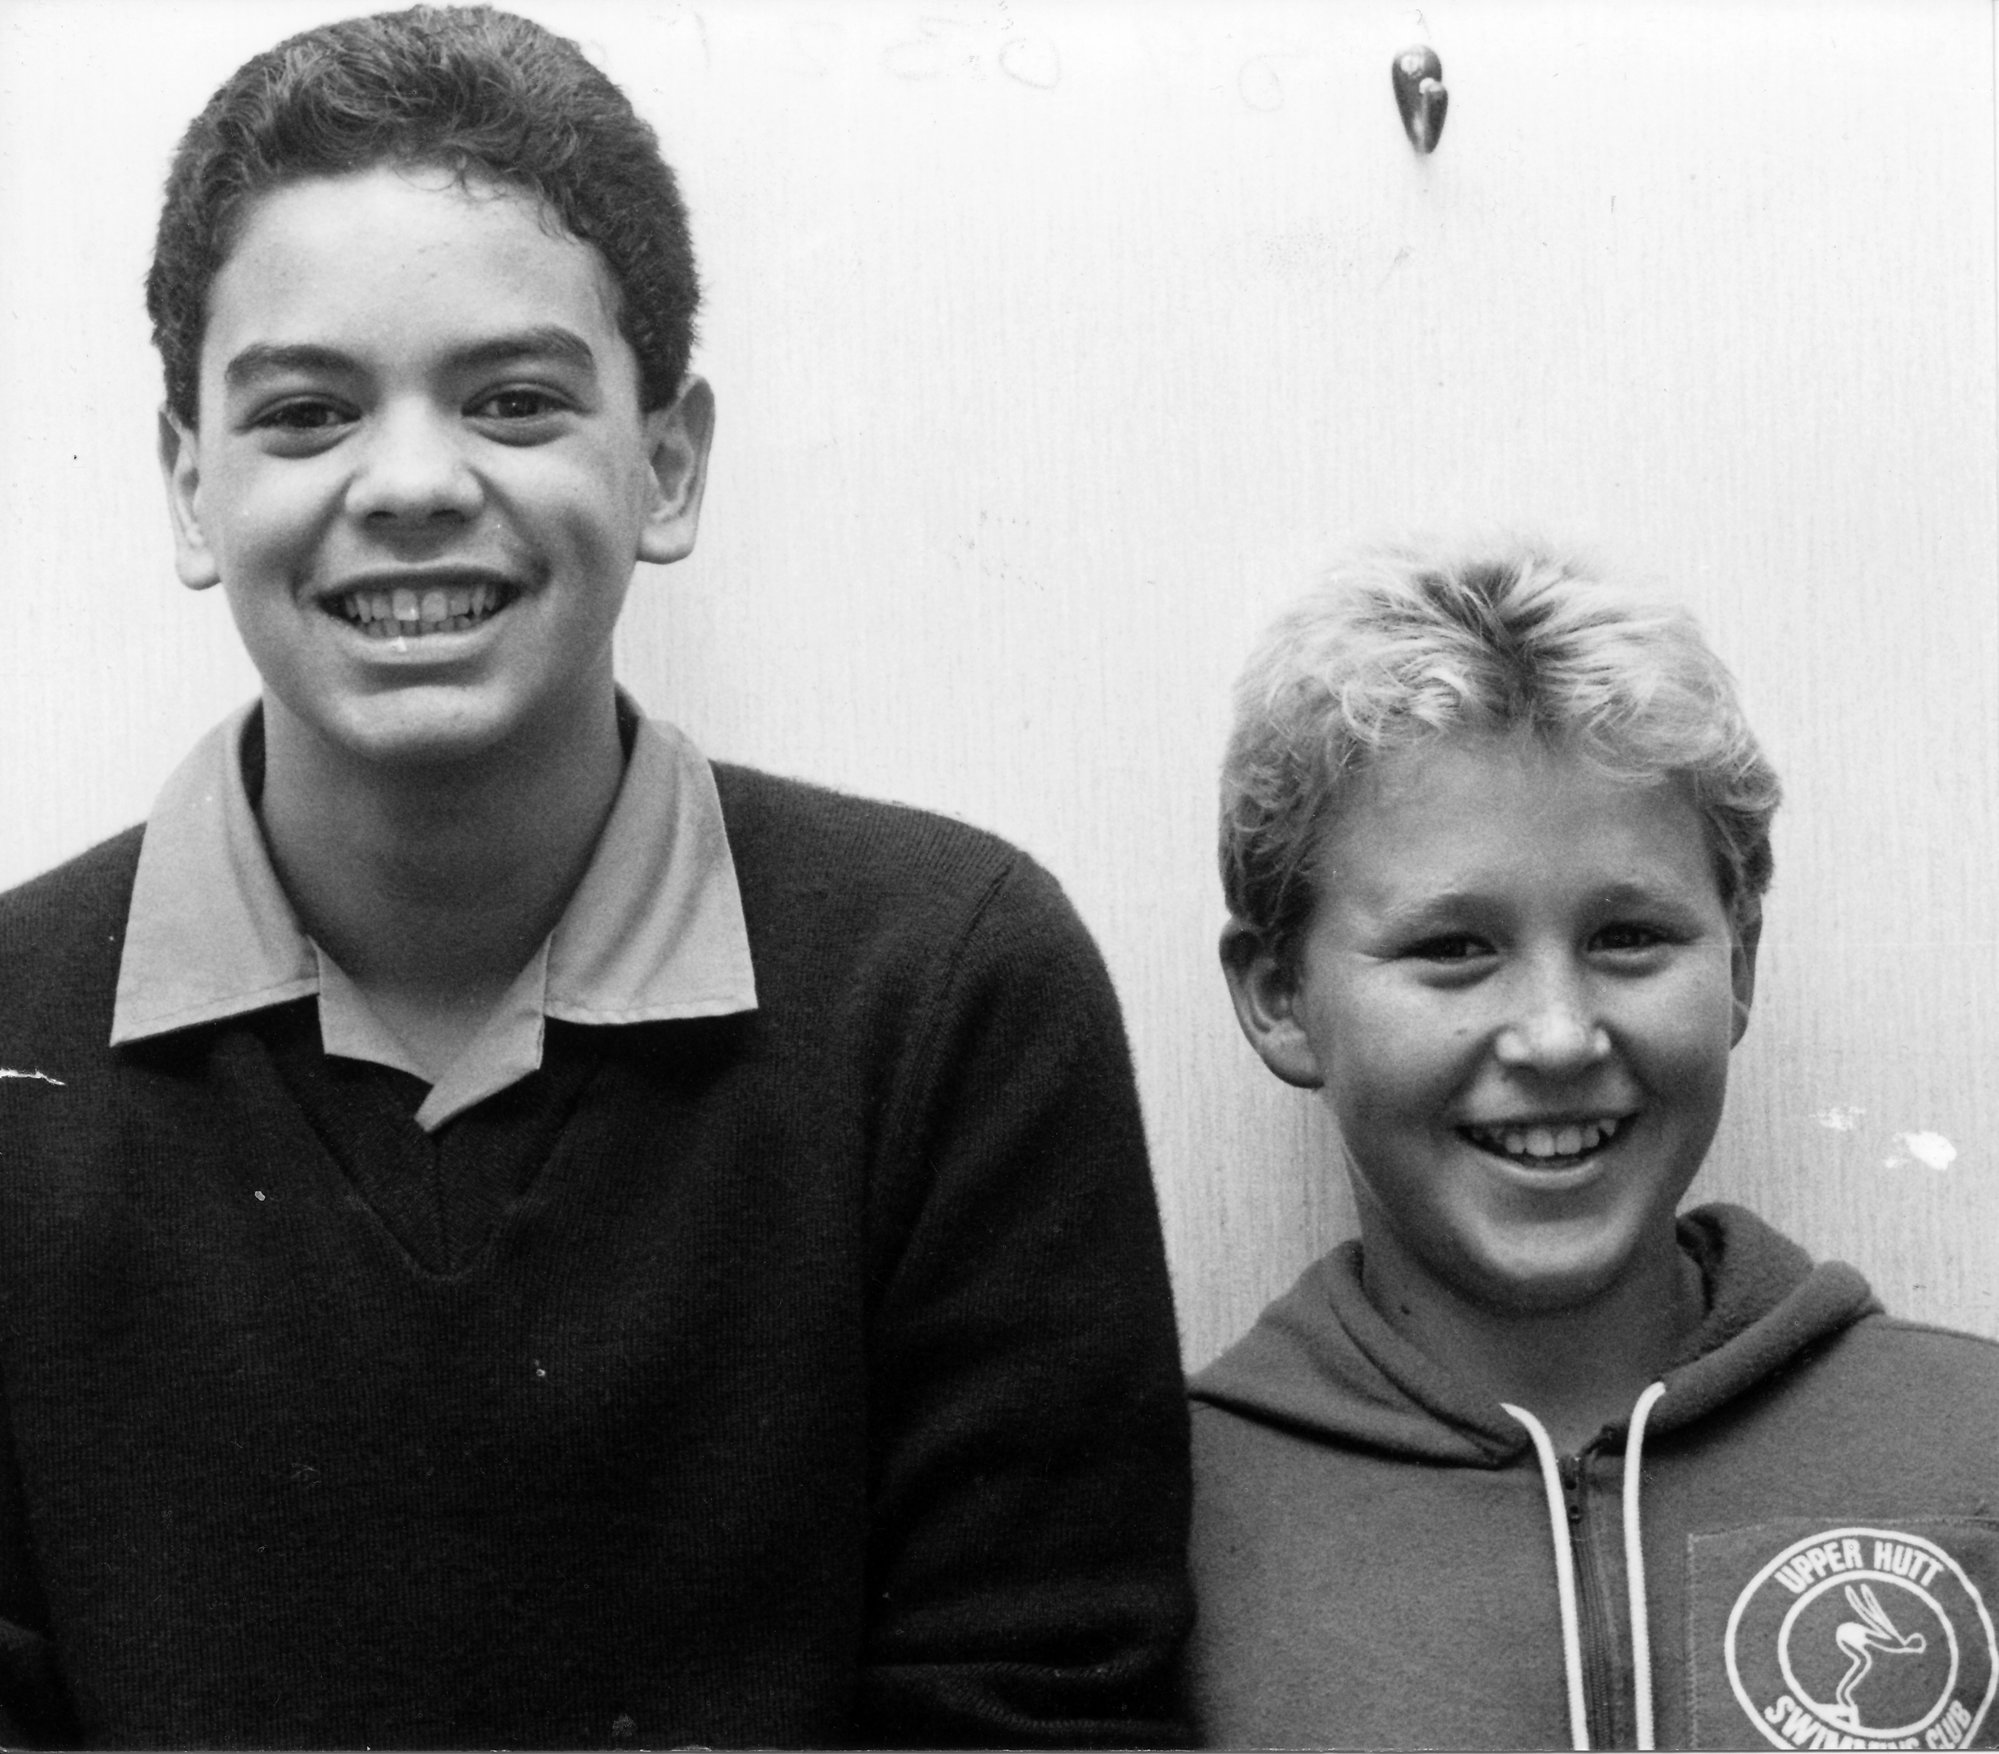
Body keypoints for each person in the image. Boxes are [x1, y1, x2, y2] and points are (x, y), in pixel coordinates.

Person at [0, 8, 1191, 1746]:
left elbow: (1042, 1699)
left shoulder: (943, 985)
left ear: (669, 459)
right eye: (309, 411)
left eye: (514, 399)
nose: (410, 482)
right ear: (191, 481)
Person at [1184, 538, 1999, 1751]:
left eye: (1628, 935)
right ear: (1278, 996)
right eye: (1452, 947)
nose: (1558, 1036)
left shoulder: (1971, 1440)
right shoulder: (1162, 1518)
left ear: (1740, 965)